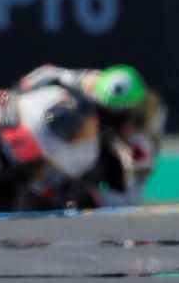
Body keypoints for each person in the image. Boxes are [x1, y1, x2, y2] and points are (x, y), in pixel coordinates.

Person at [16, 64, 166, 207]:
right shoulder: (91, 82)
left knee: (90, 187)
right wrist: (19, 91)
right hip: (73, 130)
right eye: (104, 108)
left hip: (108, 148)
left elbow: (131, 198)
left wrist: (93, 197)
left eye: (115, 113)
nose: (108, 115)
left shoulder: (142, 138)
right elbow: (48, 72)